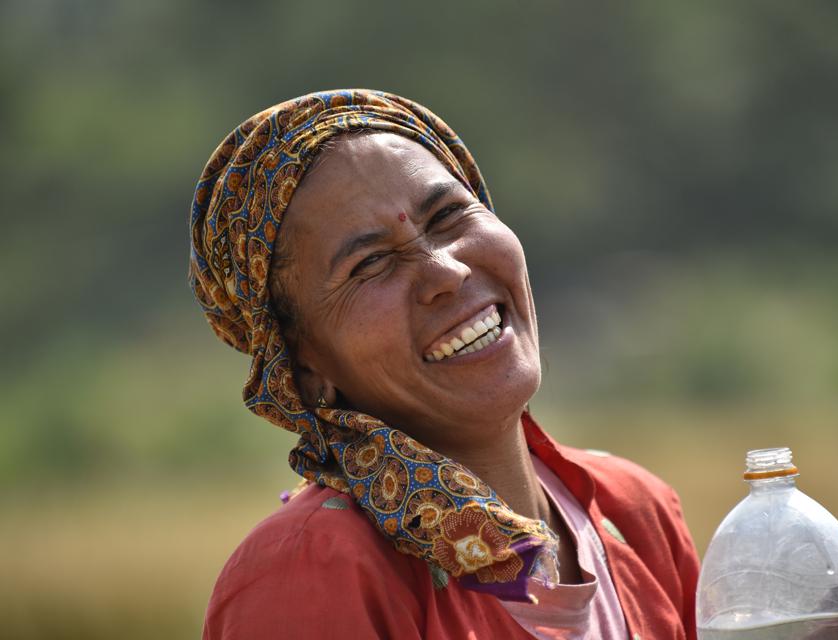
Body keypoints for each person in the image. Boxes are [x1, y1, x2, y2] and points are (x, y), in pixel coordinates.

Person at [190, 89, 699, 639]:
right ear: (305, 366)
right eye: (372, 263)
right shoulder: (307, 571)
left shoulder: (633, 510)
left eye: (450, 215)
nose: (447, 272)